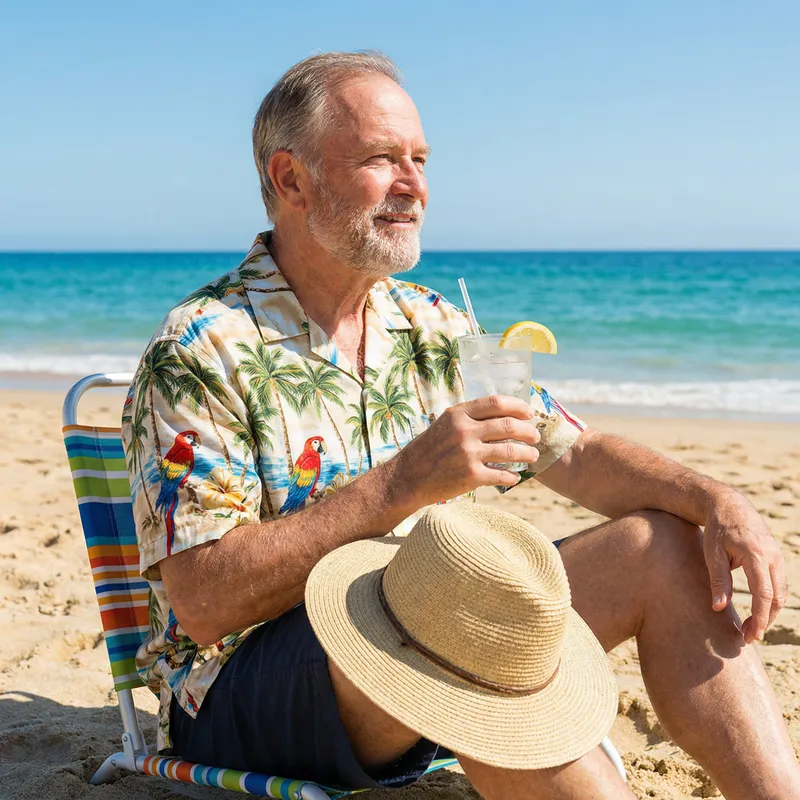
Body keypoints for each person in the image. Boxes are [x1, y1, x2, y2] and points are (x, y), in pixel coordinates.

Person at [121, 51, 798, 799]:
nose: (414, 186)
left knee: (659, 546)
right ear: (291, 180)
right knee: (472, 630)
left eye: (420, 159)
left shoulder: (433, 324)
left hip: (434, 634)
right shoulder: (201, 349)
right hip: (241, 692)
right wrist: (407, 481)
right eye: (382, 159)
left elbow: (576, 454)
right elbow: (206, 601)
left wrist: (712, 500)